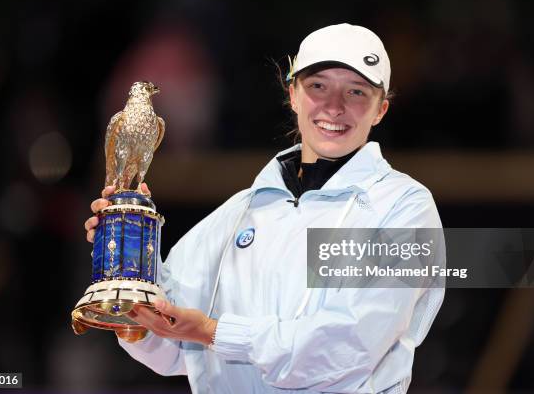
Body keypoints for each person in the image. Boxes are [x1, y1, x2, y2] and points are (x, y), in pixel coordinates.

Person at [85, 23, 444, 393]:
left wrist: (214, 332)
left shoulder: (403, 207)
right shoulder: (240, 212)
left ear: (380, 109)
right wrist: (127, 260)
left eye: (356, 91)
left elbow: (348, 346)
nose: (334, 107)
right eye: (318, 86)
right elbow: (170, 349)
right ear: (293, 94)